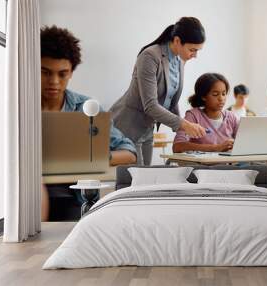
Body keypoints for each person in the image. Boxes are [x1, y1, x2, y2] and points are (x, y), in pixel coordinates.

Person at [40, 26, 137, 221]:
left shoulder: (86, 108)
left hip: (72, 195)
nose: (54, 82)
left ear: (71, 72)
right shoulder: (15, 107)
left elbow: (129, 152)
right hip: (25, 193)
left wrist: (93, 157)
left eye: (62, 74)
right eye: (45, 72)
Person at [110, 17, 207, 165]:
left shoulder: (179, 60)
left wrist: (184, 131)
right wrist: (184, 125)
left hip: (147, 128)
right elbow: (150, 105)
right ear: (176, 41)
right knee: (133, 181)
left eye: (198, 50)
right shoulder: (150, 56)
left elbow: (171, 100)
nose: (195, 55)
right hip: (128, 126)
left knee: (145, 180)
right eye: (192, 50)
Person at [173, 73, 238, 153]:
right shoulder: (193, 115)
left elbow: (244, 142)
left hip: (227, 165)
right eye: (215, 94)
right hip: (201, 165)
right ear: (203, 96)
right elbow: (178, 146)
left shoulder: (231, 117)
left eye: (224, 94)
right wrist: (216, 148)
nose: (221, 98)